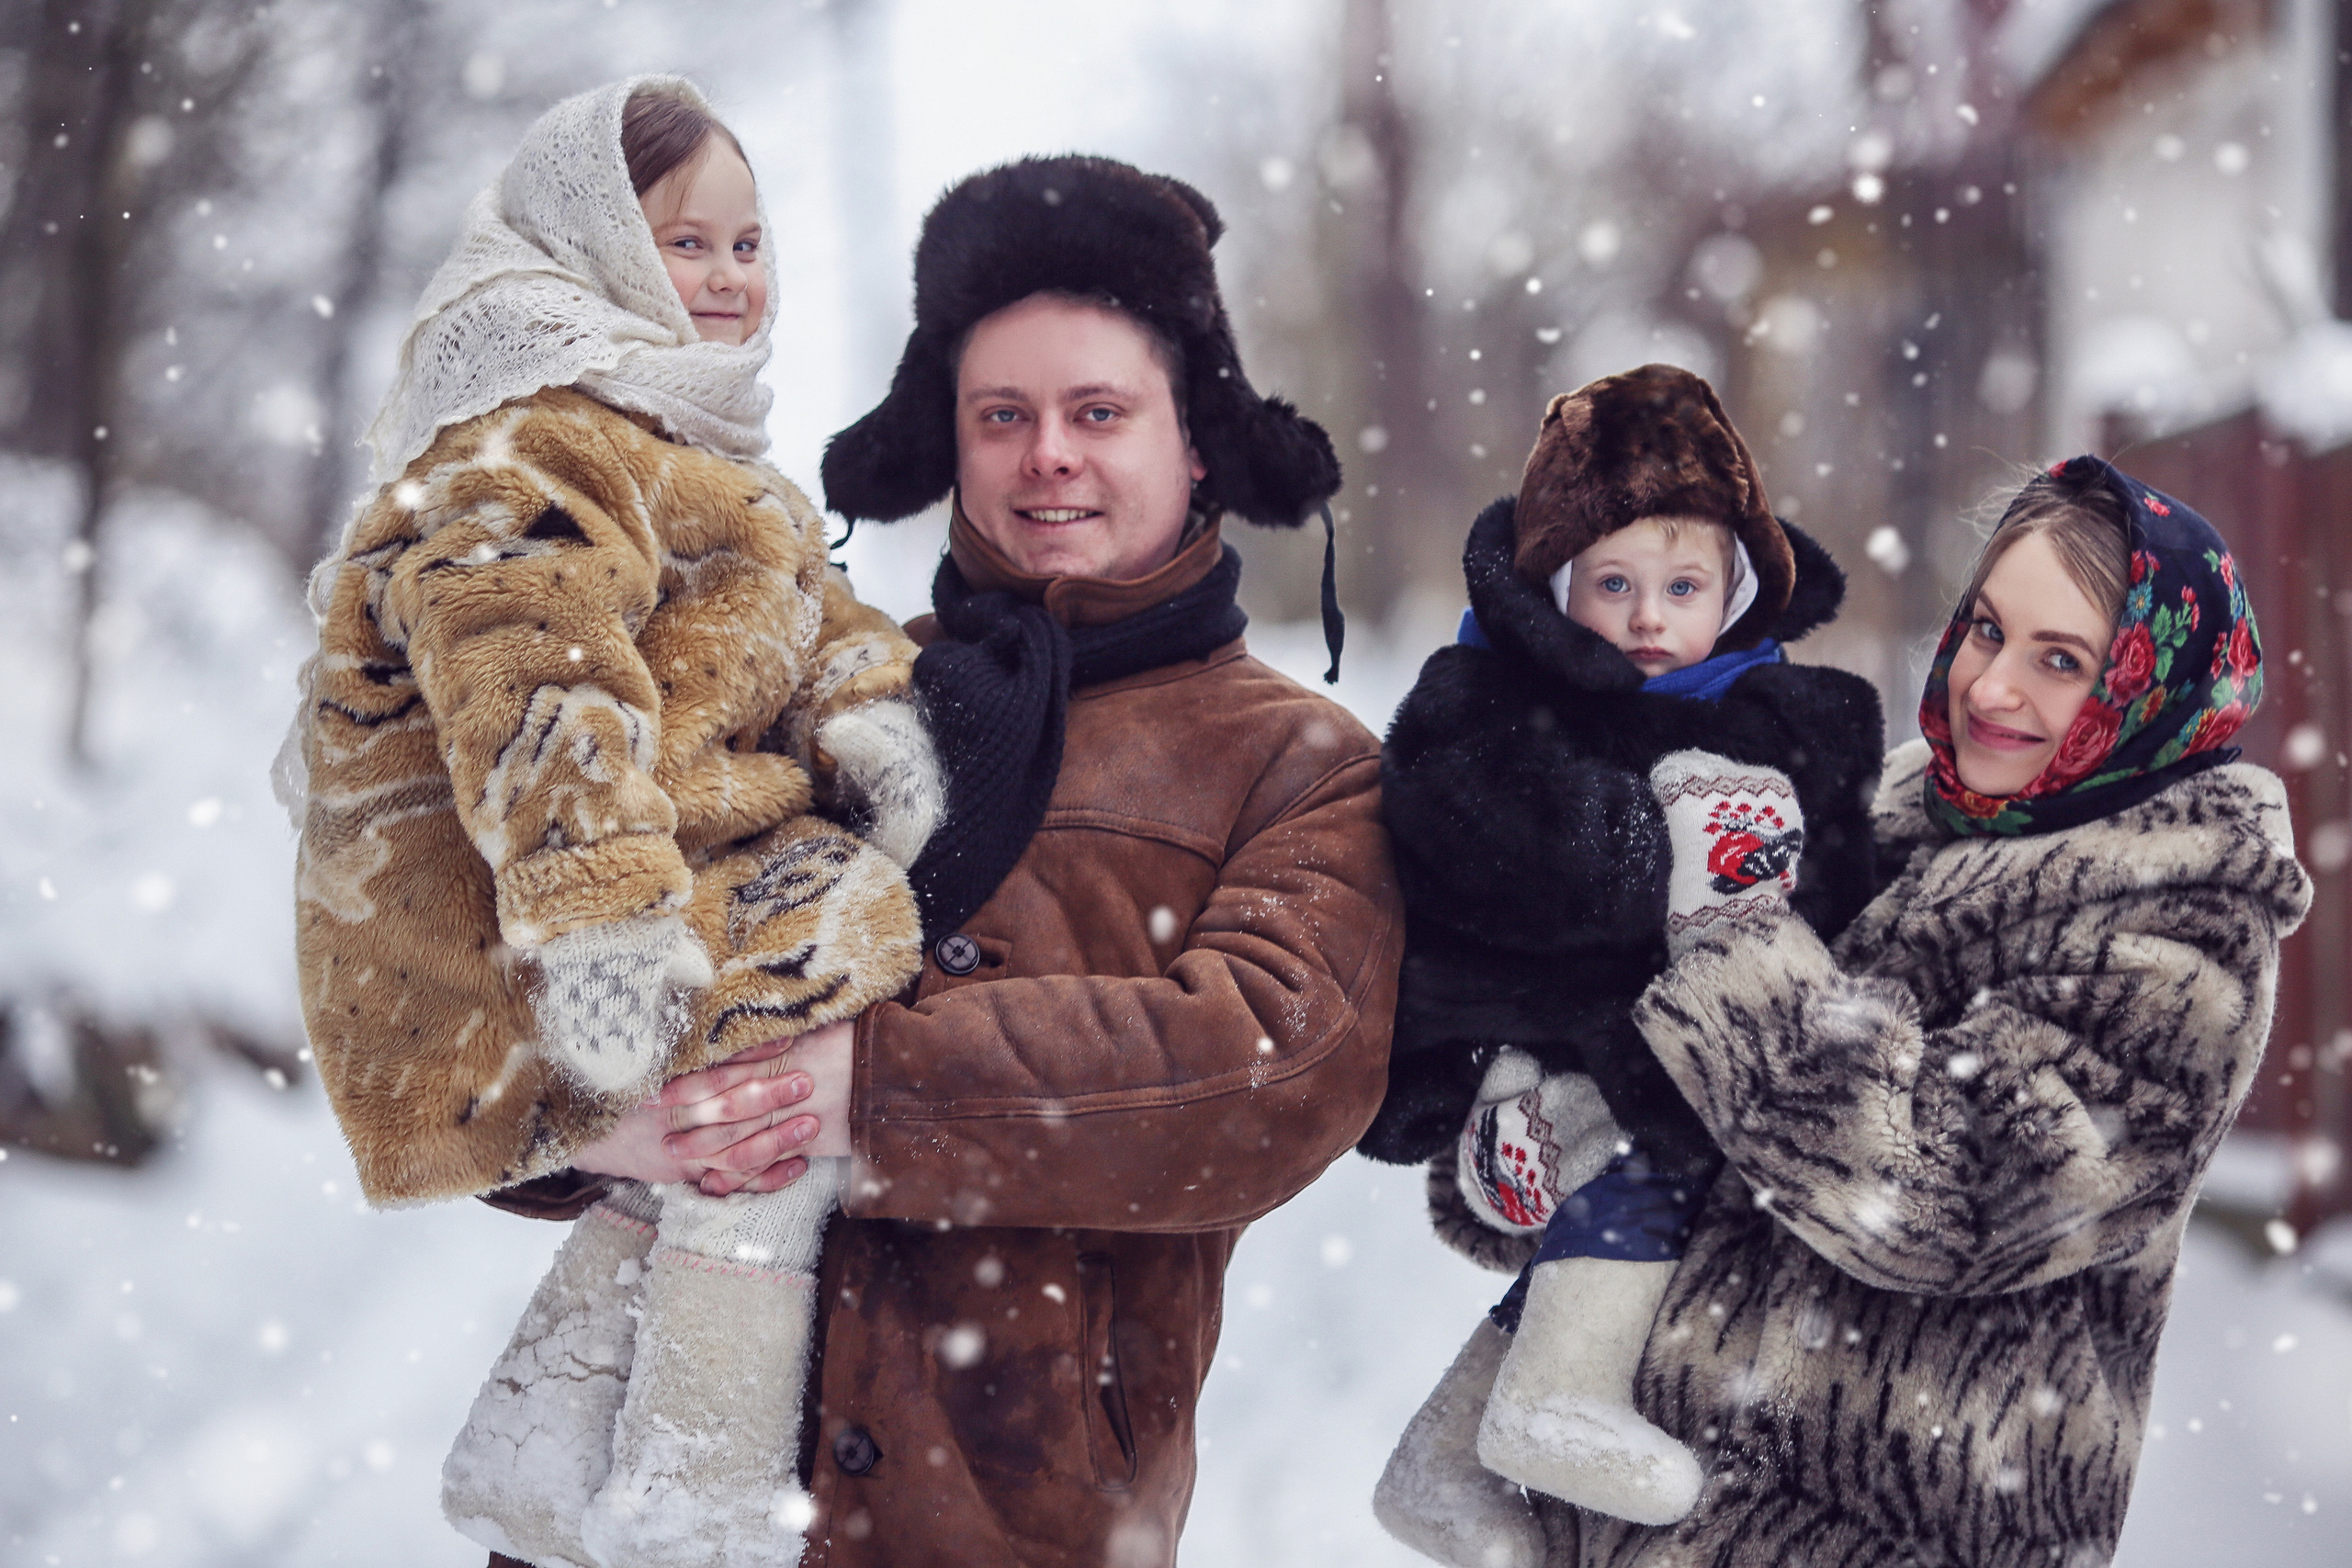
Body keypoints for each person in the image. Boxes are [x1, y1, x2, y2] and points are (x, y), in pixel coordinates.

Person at [481, 153, 1404, 1568]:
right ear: (954, 441)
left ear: (1195, 440)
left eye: (1100, 410)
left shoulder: (1297, 759)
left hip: (1003, 1514)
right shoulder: (815, 682)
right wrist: (574, 1116)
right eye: (1003, 414)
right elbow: (543, 949)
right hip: (656, 1478)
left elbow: (1266, 1066)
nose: (1049, 454)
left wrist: (869, 1081)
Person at [1430, 455, 2310, 1566]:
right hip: (1642, 1507)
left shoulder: (2178, 944)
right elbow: (1687, 1123)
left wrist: (1734, 945)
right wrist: (1540, 1141)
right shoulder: (1895, 812)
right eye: (1988, 630)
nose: (1992, 688)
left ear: (2148, 695)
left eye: (2061, 662)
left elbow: (1943, 1198)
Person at [288, 77, 944, 1568]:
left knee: (764, 1051)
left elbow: (812, 609)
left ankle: (550, 1430)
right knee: (787, 1042)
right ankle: (694, 1484)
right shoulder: (534, 441)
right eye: (685, 245)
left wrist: (864, 710)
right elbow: (538, 681)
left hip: (616, 881)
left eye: (747, 241)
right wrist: (606, 929)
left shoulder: (706, 453)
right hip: (506, 923)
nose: (727, 278)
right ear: (592, 255)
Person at [1359, 366, 1883, 1557]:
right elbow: (1475, 840)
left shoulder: (1786, 720)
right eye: (1615, 583)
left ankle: (1449, 1447)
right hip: (1535, 1045)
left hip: (1699, 1045)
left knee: (1654, 1183)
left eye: (1683, 585)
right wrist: (1657, 847)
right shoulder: (1500, 703)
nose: (1651, 617)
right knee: (1637, 1155)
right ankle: (1553, 1396)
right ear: (1558, 587)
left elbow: (1834, 897)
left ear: (1734, 591)